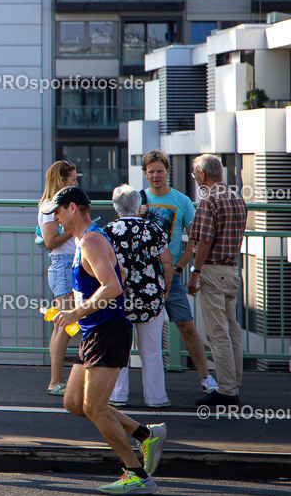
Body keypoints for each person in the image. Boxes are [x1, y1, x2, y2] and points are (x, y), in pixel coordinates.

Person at [47, 186, 165, 495]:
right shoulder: (86, 240)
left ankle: (137, 474)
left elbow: (112, 286)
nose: (55, 218)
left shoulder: (91, 241)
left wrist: (77, 312)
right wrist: (85, 312)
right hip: (93, 332)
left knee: (95, 408)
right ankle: (144, 433)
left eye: (57, 212)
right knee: (74, 402)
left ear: (72, 208)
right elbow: (122, 272)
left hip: (108, 332)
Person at [139, 150, 216, 394]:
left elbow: (194, 237)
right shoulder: (138, 199)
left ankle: (205, 377)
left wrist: (181, 265)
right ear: (144, 174)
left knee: (186, 325)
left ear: (168, 171)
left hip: (171, 275)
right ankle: (125, 385)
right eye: (150, 171)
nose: (155, 175)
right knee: (134, 327)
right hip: (142, 277)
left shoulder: (181, 201)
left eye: (160, 170)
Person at [104, 185, 174, 408]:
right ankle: (156, 398)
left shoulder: (108, 231)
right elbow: (167, 262)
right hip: (151, 295)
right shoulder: (154, 229)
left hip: (119, 297)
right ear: (138, 205)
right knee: (152, 350)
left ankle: (117, 395)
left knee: (119, 347)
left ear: (116, 207)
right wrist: (165, 291)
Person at [187, 154, 247, 407]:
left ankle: (225, 390)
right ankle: (233, 385)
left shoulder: (208, 201)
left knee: (217, 333)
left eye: (194, 174)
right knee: (233, 331)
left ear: (202, 175)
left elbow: (204, 242)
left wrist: (195, 272)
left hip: (212, 271)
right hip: (232, 270)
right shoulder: (237, 198)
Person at [38, 160, 79, 395]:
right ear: (62, 181)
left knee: (60, 324)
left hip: (66, 266)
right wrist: (71, 230)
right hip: (62, 266)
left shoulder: (55, 205)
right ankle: (55, 381)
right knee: (64, 324)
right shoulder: (49, 206)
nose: (75, 182)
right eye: (72, 179)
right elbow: (50, 242)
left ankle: (57, 379)